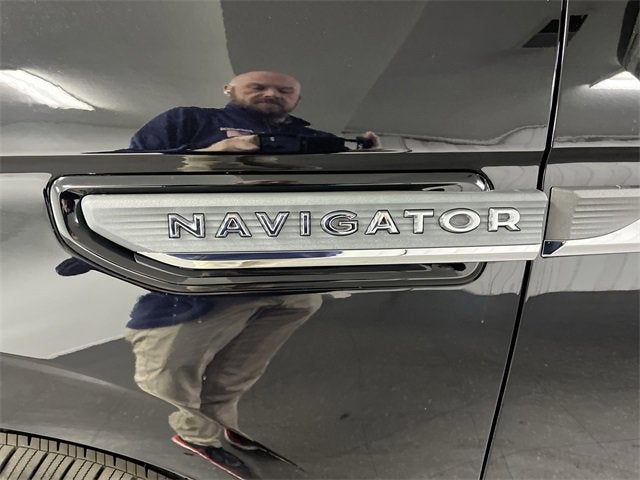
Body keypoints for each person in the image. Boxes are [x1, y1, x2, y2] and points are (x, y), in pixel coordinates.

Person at [129, 70, 379, 153]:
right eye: (258, 87)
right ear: (228, 89)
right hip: (194, 237)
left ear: (298, 98)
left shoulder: (319, 140)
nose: (272, 94)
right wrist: (206, 155)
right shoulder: (186, 119)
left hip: (306, 241)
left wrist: (370, 162)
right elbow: (126, 165)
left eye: (284, 91)